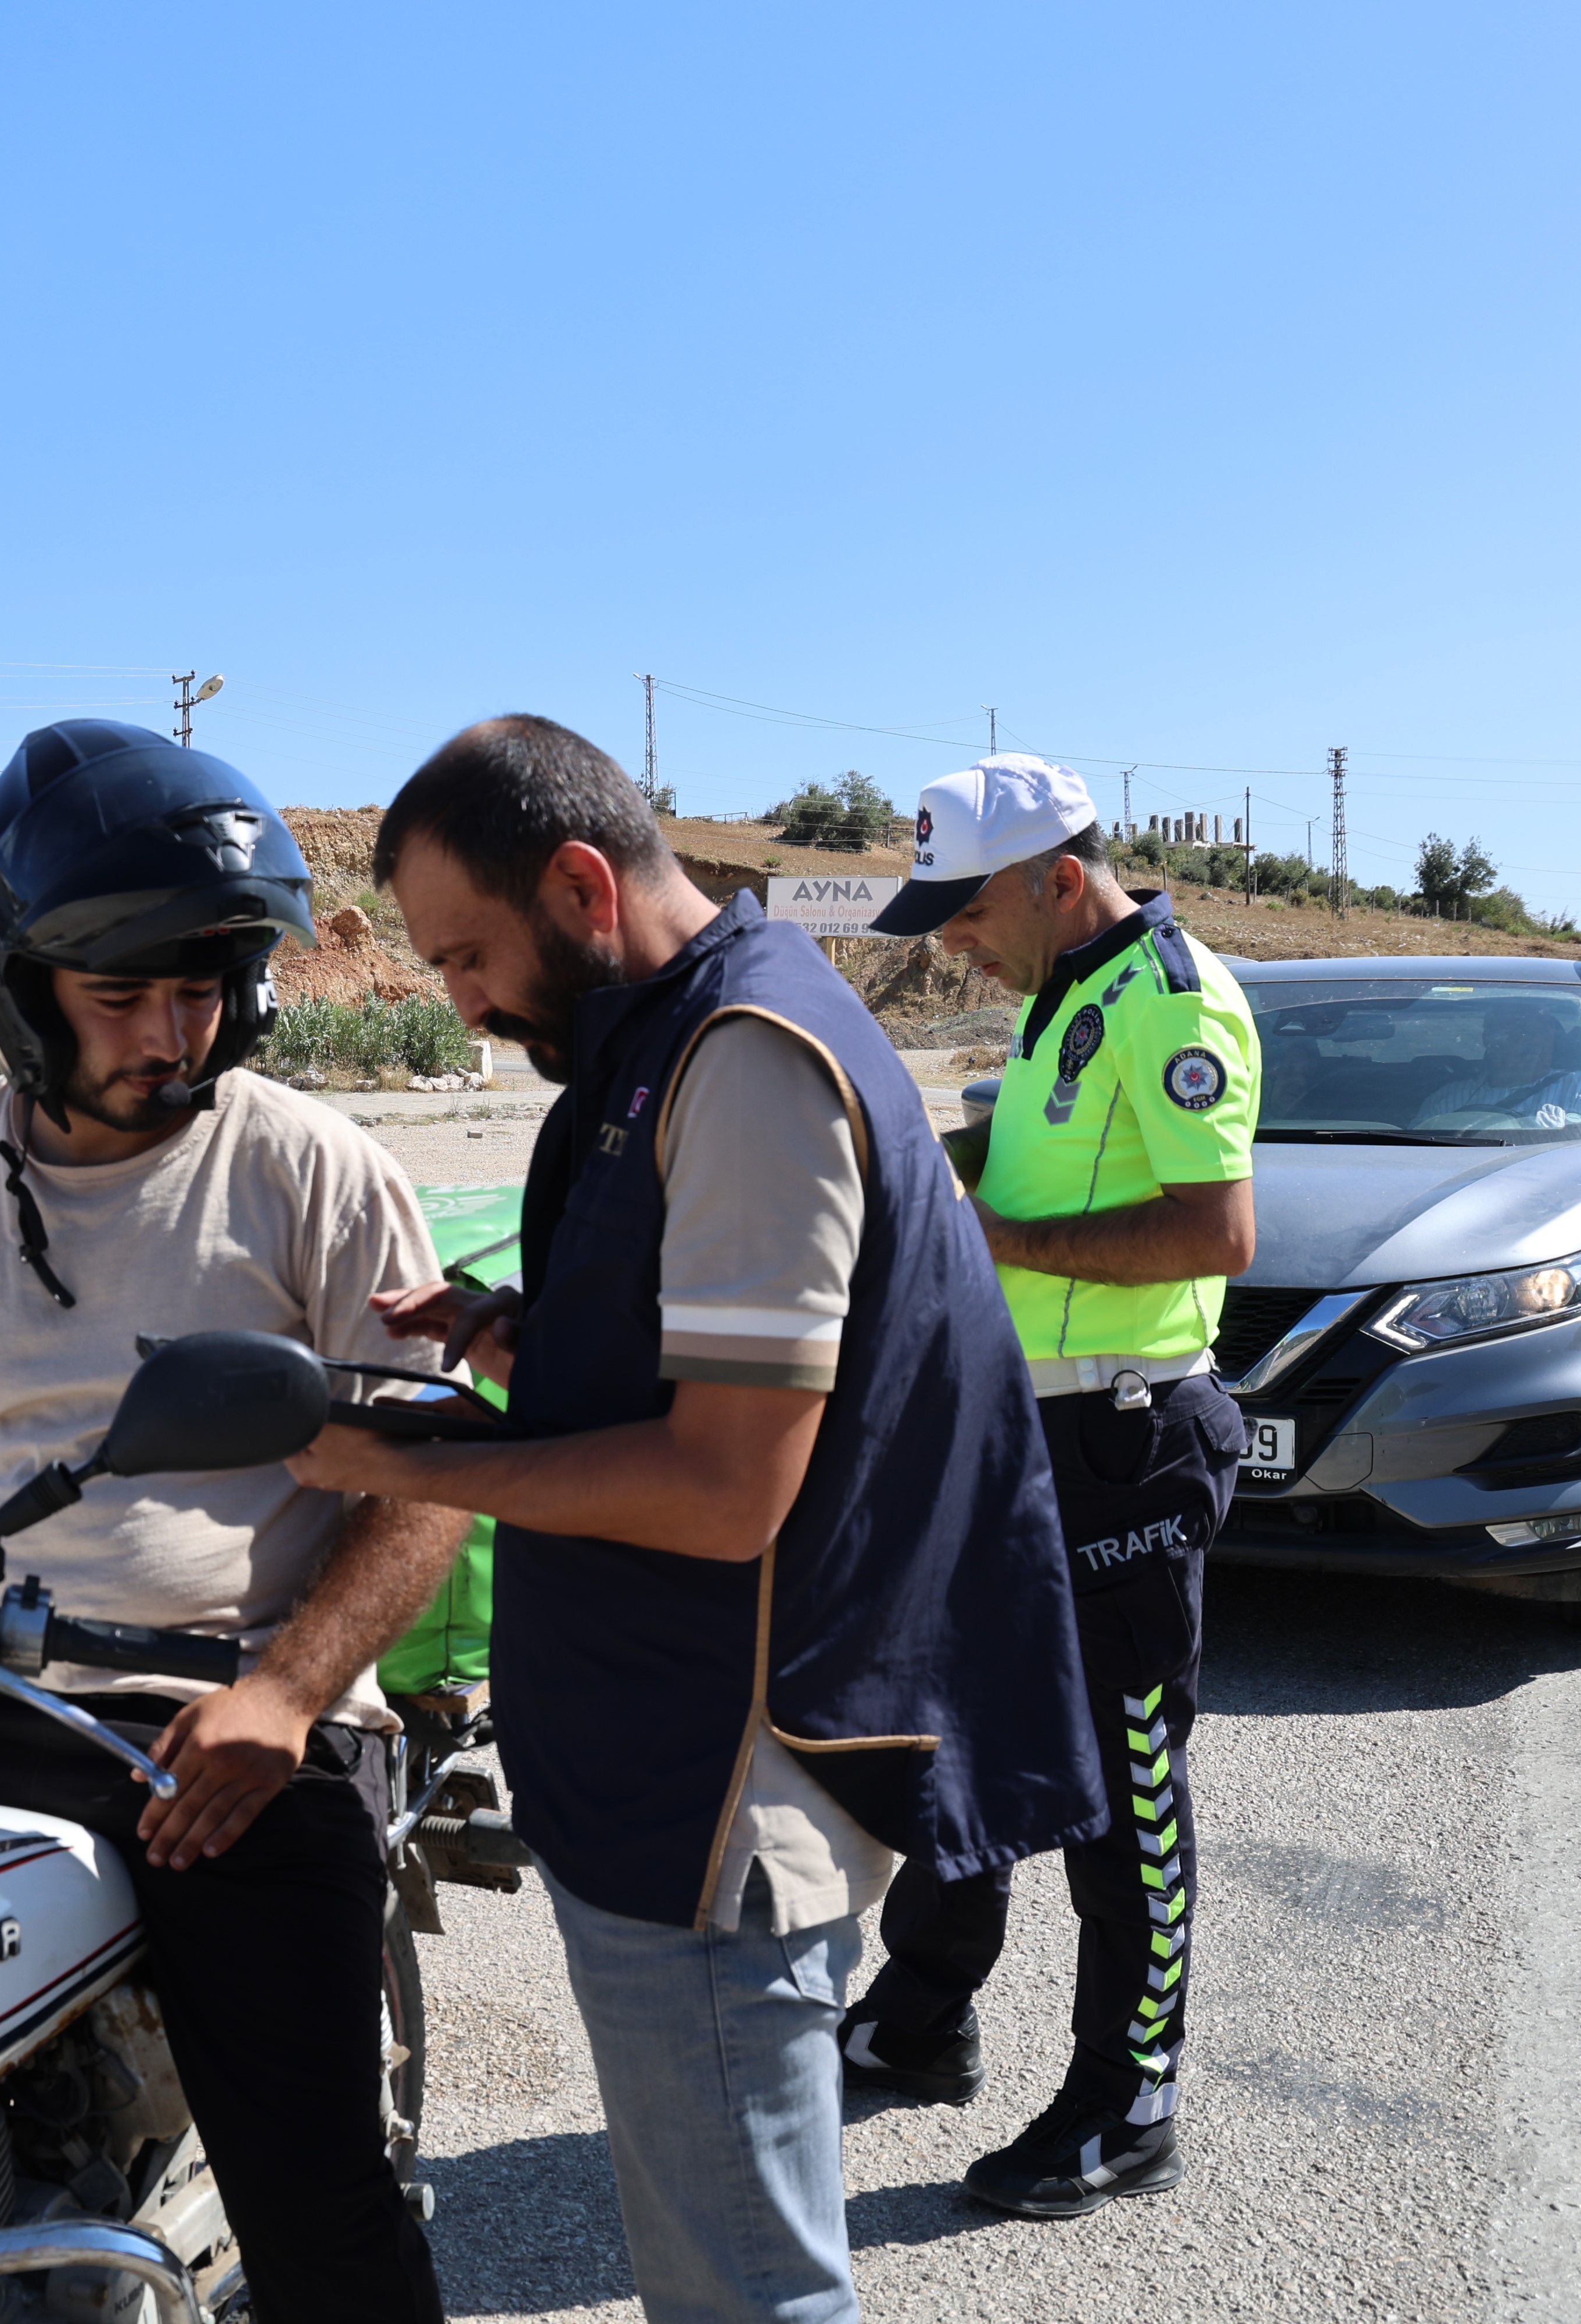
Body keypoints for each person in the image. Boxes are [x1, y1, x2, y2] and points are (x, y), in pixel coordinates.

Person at [286, 715, 1102, 2324]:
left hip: (719, 1805)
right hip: (663, 1778)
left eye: (468, 956)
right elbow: (698, 1365)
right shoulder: (671, 1032)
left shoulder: (745, 1060)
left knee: (747, 2294)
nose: (461, 1002)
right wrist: (519, 1343)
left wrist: (401, 1465)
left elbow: (728, 1489)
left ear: (583, 888)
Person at [0, 719, 466, 2321]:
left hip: (228, 1723)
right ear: (23, 989)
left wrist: (290, 1693)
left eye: (209, 986)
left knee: (315, 2202)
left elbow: (430, 1467)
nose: (176, 1032)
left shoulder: (313, 1170)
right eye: (125, 995)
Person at [842, 756, 1260, 2218]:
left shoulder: (1173, 1000)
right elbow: (1044, 1167)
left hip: (1125, 1442)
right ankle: (922, 2012)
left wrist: (998, 1237)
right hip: (1026, 1427)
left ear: (1056, 877)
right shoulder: (1062, 990)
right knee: (968, 1730)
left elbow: (1215, 1231)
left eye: (967, 910)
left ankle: (1129, 2099)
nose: (955, 939)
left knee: (1125, 1786)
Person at [1421, 1001, 1581, 1129]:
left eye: (1541, 1033)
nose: (1533, 1043)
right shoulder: (1449, 1099)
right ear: (1490, 1041)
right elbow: (1419, 1148)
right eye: (1520, 1033)